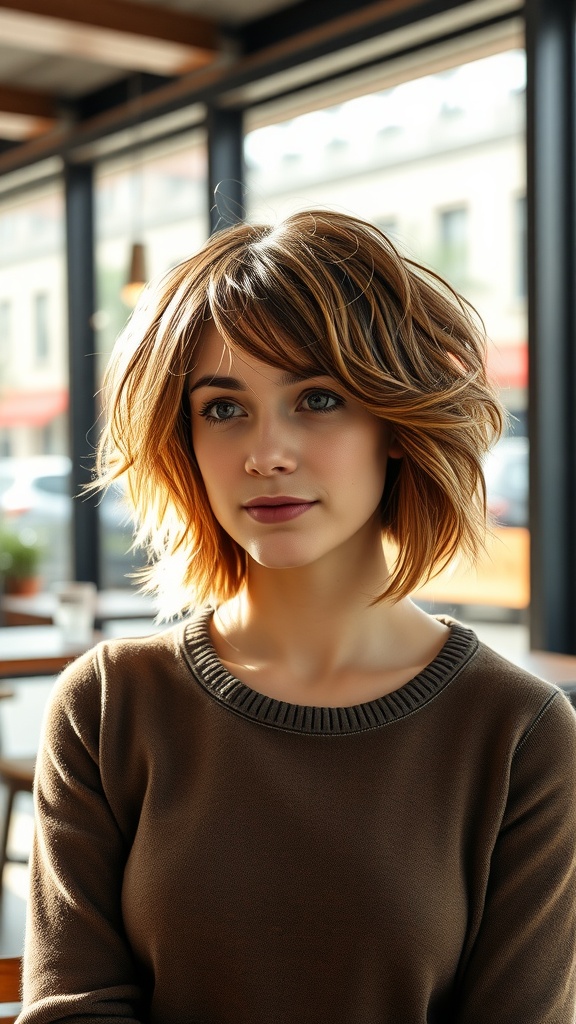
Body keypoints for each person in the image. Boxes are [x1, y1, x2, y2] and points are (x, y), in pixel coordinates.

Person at [18, 209, 576, 1024]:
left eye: (317, 398)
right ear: (185, 442)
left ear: (395, 423)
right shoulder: (108, 705)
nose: (265, 451)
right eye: (221, 407)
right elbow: (74, 1008)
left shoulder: (518, 731)